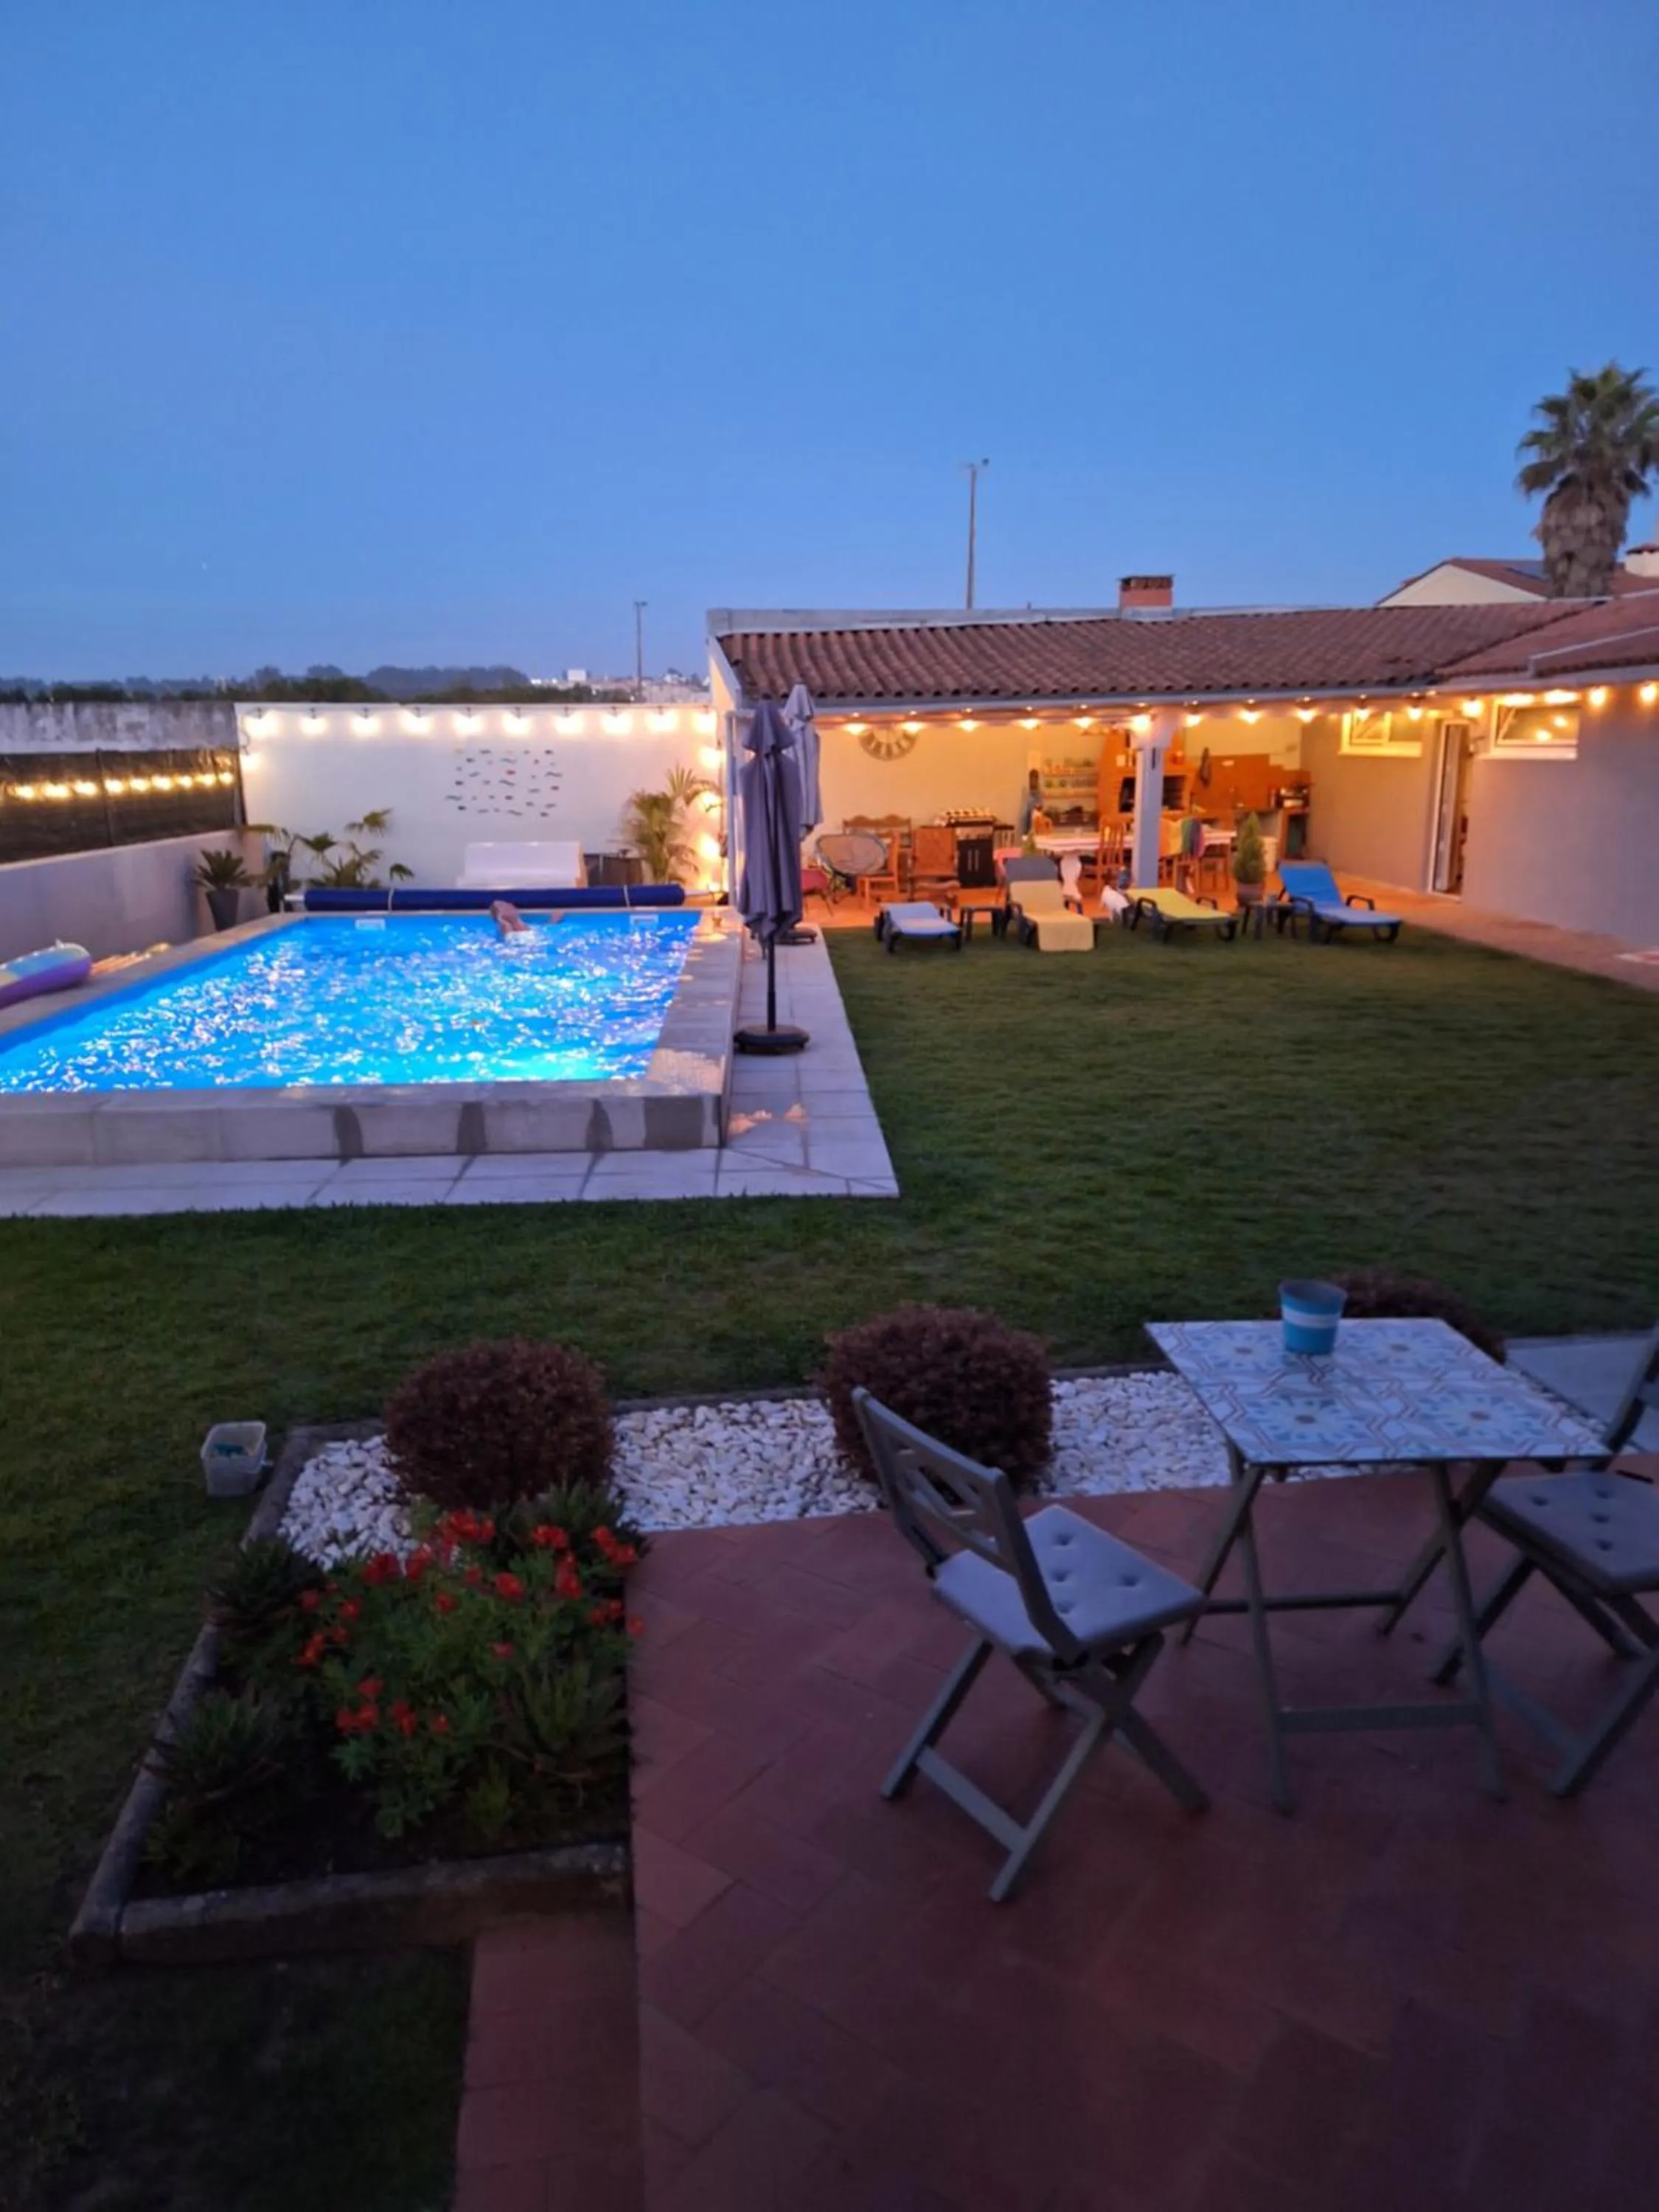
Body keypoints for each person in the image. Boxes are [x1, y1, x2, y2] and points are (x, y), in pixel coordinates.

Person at [1016, 767, 1046, 838]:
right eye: (1032, 779)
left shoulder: (1039, 794)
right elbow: (1024, 814)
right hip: (1026, 825)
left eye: (1036, 779)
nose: (1034, 781)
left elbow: (1041, 810)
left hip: (1037, 826)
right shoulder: (1026, 793)